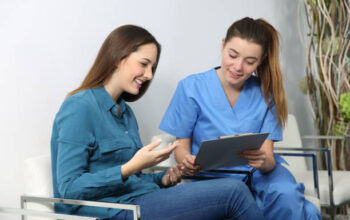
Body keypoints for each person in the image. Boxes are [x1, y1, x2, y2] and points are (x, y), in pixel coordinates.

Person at [50, 24, 265, 220]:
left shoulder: (125, 113)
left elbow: (134, 180)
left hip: (139, 200)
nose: (149, 74)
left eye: (152, 67)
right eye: (144, 64)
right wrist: (131, 166)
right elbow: (69, 188)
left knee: (230, 198)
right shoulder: (80, 107)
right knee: (233, 192)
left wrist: (165, 178)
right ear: (118, 57)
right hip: (115, 211)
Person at [159, 17, 321, 220]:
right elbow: (181, 148)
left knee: (286, 194)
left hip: (260, 174)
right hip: (213, 179)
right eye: (232, 55)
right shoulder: (191, 88)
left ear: (260, 61)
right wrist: (187, 161)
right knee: (307, 213)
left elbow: (268, 159)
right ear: (222, 45)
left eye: (249, 62)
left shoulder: (267, 94)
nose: (238, 67)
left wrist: (263, 161)